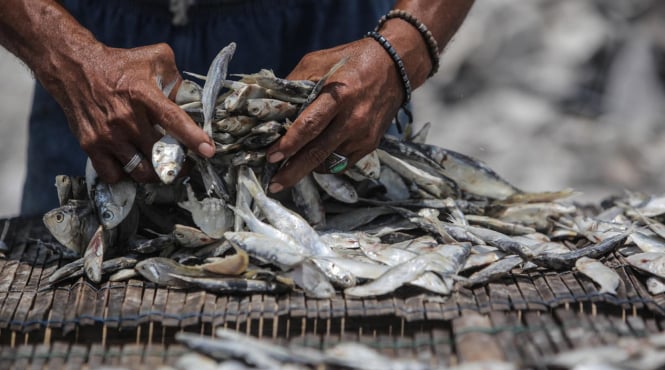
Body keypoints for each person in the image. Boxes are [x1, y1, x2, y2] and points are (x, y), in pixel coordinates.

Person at [0, 0, 474, 217]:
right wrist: (65, 58)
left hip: (332, 43)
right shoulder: (78, 61)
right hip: (96, 55)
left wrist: (405, 46)